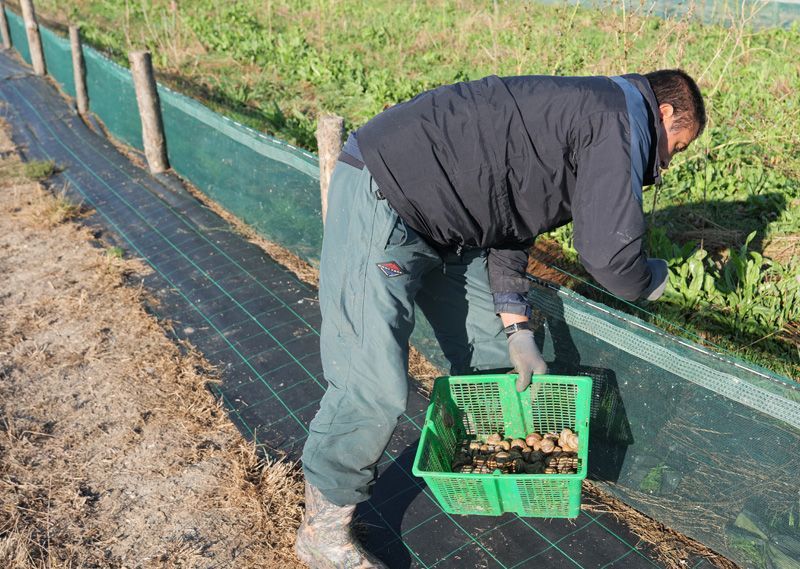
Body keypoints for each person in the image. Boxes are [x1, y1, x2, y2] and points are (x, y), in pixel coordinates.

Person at [295, 69, 706, 568]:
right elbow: (609, 258)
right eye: (675, 148)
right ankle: (322, 530)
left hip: (451, 225)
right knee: (373, 383)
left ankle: (497, 469)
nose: (663, 166)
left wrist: (518, 329)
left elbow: (510, 219)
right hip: (389, 197)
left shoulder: (589, 116)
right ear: (663, 114)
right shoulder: (617, 120)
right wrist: (650, 279)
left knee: (494, 355)